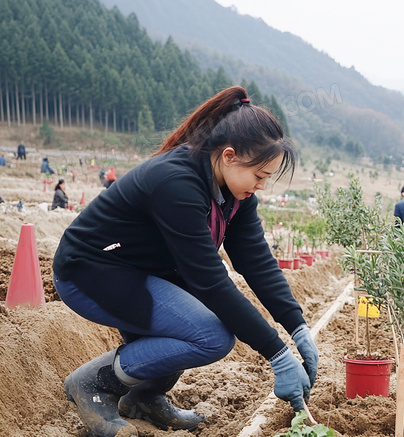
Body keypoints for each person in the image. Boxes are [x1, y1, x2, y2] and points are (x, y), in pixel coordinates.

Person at [52, 86, 316, 436]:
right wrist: (277, 354)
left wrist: (297, 327)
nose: (261, 186)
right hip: (90, 271)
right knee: (209, 335)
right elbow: (210, 281)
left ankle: (145, 396)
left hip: (143, 272)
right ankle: (93, 384)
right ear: (229, 156)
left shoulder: (235, 193)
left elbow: (256, 261)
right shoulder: (176, 182)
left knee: (193, 316)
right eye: (260, 176)